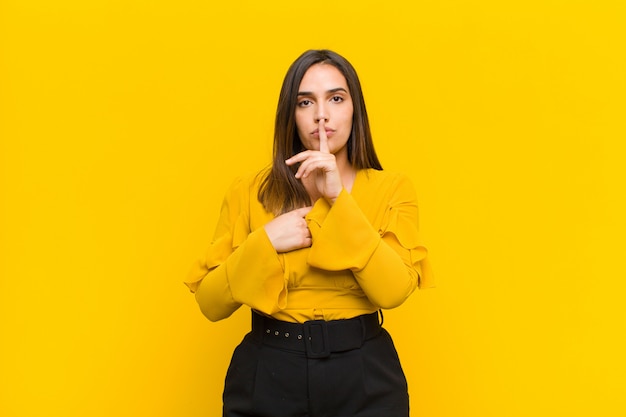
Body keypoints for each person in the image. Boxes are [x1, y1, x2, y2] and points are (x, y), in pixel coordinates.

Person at [185, 49, 433, 417]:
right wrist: (264, 242)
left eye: (336, 98)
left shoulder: (392, 189)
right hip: (269, 372)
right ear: (291, 115)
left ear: (355, 110)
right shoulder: (248, 191)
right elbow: (210, 304)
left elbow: (394, 291)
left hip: (364, 374)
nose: (322, 114)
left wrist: (338, 199)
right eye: (305, 101)